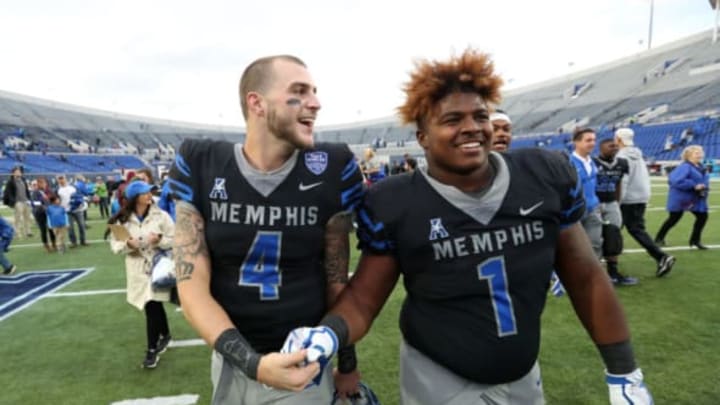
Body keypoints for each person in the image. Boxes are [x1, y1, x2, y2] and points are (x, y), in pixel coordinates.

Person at [293, 49, 652, 404]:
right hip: (438, 374)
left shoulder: (542, 174)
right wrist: (329, 333)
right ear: (422, 137)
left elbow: (586, 277)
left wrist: (624, 373)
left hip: (524, 371)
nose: (471, 128)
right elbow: (364, 298)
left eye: (480, 116)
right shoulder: (395, 201)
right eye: (452, 120)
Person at [167, 54, 364, 404]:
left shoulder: (332, 167)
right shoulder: (201, 161)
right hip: (230, 355)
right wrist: (252, 363)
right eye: (299, 91)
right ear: (256, 102)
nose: (315, 103)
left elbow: (337, 280)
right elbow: (191, 285)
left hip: (304, 359)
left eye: (314, 92)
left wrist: (346, 362)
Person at [109, 181, 175, 369]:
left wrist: (159, 239)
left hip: (158, 265)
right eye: (145, 193)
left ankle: (151, 349)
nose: (149, 195)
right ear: (134, 197)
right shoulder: (122, 220)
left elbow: (174, 238)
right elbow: (115, 246)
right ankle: (166, 334)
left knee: (152, 304)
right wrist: (127, 245)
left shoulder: (161, 215)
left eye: (150, 192)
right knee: (151, 304)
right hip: (137, 268)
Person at [615, 128, 675, 277]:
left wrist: (617, 201)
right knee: (629, 228)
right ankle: (608, 259)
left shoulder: (622, 156)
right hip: (640, 196)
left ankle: (661, 256)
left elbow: (623, 180)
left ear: (619, 140)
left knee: (617, 228)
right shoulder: (637, 154)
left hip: (628, 198)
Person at [593, 138, 638, 285]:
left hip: (611, 202)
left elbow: (618, 183)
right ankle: (595, 273)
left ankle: (613, 273)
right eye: (610, 146)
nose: (614, 148)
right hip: (594, 204)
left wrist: (617, 202)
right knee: (595, 239)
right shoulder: (592, 162)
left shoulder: (622, 163)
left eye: (616, 146)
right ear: (601, 148)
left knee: (614, 236)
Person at [654, 145, 710, 249]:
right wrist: (693, 185)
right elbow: (674, 180)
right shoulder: (685, 166)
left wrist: (703, 188)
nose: (700, 154)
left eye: (700, 152)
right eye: (696, 153)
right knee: (674, 218)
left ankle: (695, 240)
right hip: (682, 198)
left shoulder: (700, 166)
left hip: (695, 198)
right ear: (689, 155)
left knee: (702, 216)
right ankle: (659, 238)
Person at [569, 128, 603, 260]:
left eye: (594, 140)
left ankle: (592, 277)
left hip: (593, 209)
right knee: (573, 246)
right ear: (576, 142)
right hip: (574, 211)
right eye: (588, 140)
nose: (593, 143)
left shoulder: (592, 161)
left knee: (595, 244)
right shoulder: (568, 162)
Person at [55, 175, 87, 247]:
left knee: (81, 225)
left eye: (62, 178)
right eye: (59, 179)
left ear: (65, 179)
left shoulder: (73, 187)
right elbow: (56, 200)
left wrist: (79, 202)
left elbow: (80, 195)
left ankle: (83, 241)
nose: (61, 180)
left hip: (77, 209)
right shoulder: (57, 189)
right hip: (66, 210)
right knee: (70, 228)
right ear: (57, 180)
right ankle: (73, 242)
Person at [2, 166, 33, 239]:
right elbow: (8, 192)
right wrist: (13, 202)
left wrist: (29, 199)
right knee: (17, 218)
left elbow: (26, 191)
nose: (18, 173)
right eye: (17, 172)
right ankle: (17, 233)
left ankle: (28, 232)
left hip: (25, 201)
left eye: (19, 172)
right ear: (13, 173)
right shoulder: (11, 182)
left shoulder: (23, 180)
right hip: (17, 202)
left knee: (27, 217)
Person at [30, 177, 57, 252]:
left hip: (49, 212)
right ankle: (46, 245)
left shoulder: (49, 191)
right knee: (43, 230)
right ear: (38, 184)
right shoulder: (36, 192)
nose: (43, 184)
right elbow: (34, 203)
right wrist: (43, 206)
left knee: (51, 228)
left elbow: (53, 200)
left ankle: (54, 244)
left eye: (44, 182)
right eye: (41, 183)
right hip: (39, 213)